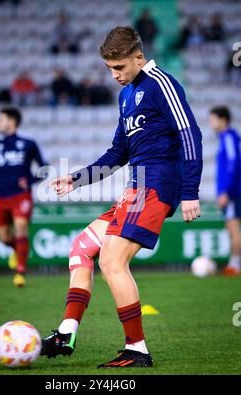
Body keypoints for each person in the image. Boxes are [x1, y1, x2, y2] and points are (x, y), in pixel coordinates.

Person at [40, 26, 203, 368]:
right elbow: (118, 152)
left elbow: (191, 135)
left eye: (120, 68)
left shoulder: (161, 83)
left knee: (112, 261)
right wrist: (78, 178)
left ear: (138, 57)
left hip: (157, 184)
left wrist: (190, 192)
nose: (114, 75)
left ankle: (137, 349)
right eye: (109, 69)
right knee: (81, 248)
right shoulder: (126, 95)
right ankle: (67, 332)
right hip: (136, 186)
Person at [0, 107, 48, 287]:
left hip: (21, 196)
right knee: (5, 237)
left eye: (1, 119)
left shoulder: (28, 144)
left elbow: (45, 168)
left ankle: (20, 272)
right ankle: (17, 250)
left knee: (21, 228)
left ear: (12, 121)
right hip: (1, 198)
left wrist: (29, 180)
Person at [209, 106, 241, 275]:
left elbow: (233, 164)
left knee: (233, 228)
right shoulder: (227, 138)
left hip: (232, 192)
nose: (211, 123)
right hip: (233, 191)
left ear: (222, 120)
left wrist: (225, 191)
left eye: (213, 119)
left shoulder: (228, 138)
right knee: (232, 228)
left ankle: (235, 265)